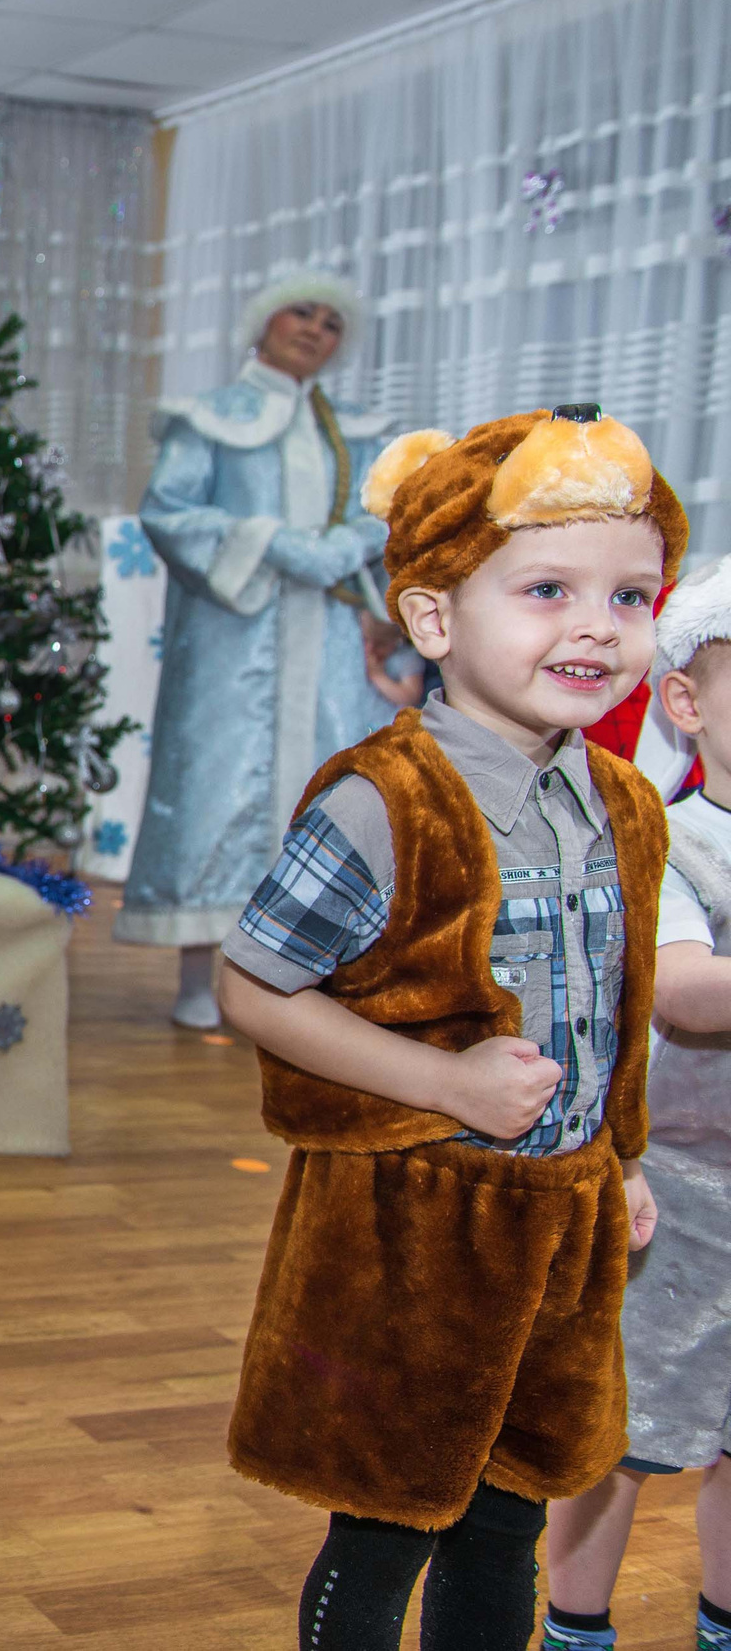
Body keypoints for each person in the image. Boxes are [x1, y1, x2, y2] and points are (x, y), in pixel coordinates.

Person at [216, 407, 680, 1650]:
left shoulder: (625, 804)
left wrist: (618, 1160)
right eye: (546, 588)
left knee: (510, 1516)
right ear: (432, 617)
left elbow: (615, 1013)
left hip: (562, 1227)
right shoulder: (384, 799)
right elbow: (252, 984)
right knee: (387, 1520)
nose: (596, 625)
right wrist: (448, 1081)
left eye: (630, 595)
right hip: (412, 1234)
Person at [121, 269, 400, 1030]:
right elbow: (171, 512)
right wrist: (271, 543)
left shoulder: (357, 432)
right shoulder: (208, 419)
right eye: (300, 312)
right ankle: (197, 974)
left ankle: (308, 973)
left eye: (332, 322)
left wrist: (346, 544)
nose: (315, 329)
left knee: (327, 790)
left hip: (332, 642)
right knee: (215, 786)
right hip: (232, 638)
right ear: (262, 321)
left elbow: (384, 515)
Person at [541, 558, 731, 1651]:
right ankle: (577, 1623)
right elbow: (688, 992)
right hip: (679, 1196)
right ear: (686, 702)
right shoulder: (666, 838)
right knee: (625, 1430)